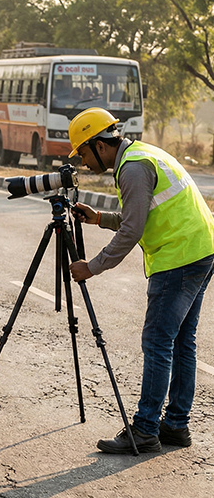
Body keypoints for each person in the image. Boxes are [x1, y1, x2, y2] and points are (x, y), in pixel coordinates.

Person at [67, 107, 214, 454]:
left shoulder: (132, 169)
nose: (83, 163)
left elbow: (133, 229)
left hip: (178, 257)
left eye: (83, 153)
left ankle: (146, 429)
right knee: (181, 341)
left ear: (99, 145)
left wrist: (93, 266)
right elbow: (140, 215)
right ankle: (176, 426)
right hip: (201, 248)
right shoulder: (142, 154)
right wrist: (100, 218)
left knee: (158, 342)